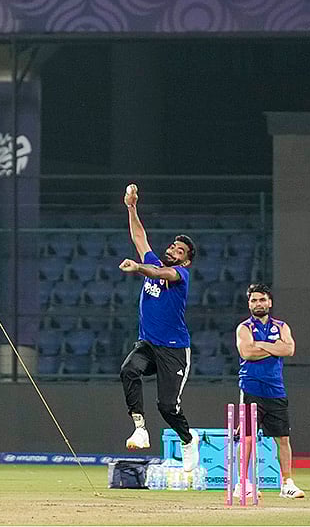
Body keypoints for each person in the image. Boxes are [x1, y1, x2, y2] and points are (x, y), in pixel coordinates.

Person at [116, 183, 200, 472]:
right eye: (173, 246)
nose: (173, 250)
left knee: (167, 407)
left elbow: (158, 272)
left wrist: (138, 268)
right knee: (129, 369)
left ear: (186, 259)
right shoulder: (154, 261)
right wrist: (131, 206)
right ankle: (139, 427)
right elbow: (140, 236)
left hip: (174, 350)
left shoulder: (181, 275)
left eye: (180, 250)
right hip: (148, 345)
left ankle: (189, 440)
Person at [235, 283, 304, 500]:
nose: (258, 304)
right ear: (249, 304)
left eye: (262, 299)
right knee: (247, 438)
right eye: (254, 300)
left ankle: (287, 484)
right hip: (251, 388)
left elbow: (289, 349)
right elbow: (247, 352)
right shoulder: (244, 328)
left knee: (283, 439)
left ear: (269, 302)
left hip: (275, 390)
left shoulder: (282, 326)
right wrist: (274, 348)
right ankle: (242, 483)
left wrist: (261, 345)